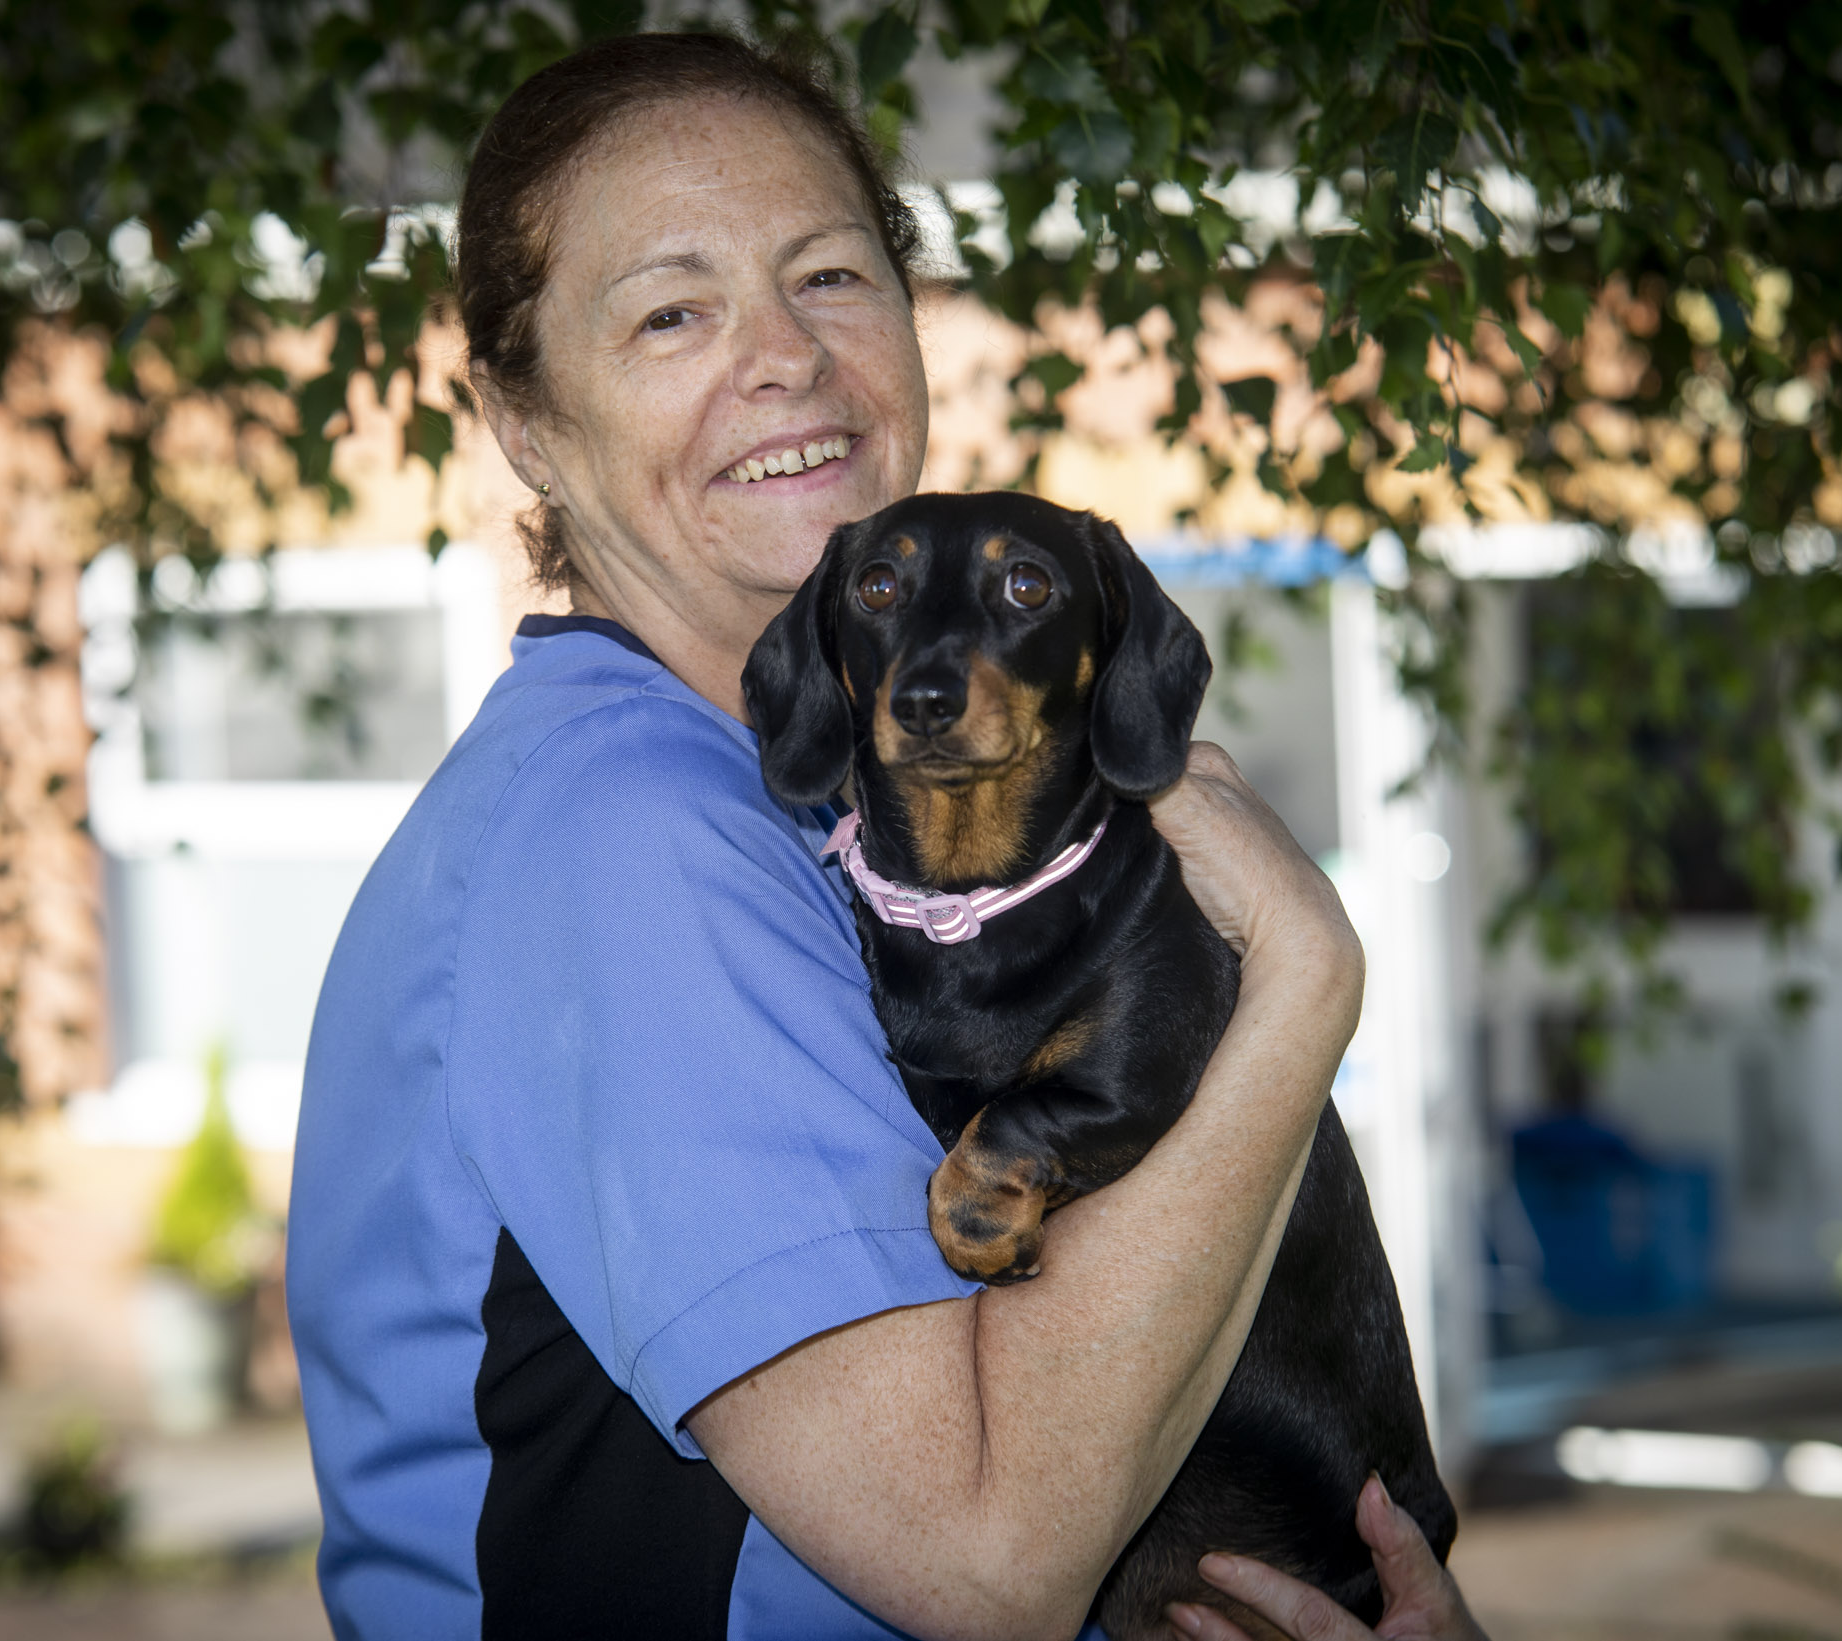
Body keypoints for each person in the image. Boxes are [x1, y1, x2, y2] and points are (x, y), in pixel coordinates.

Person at [286, 30, 1484, 1641]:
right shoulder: (629, 833)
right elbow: (985, 1558)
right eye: (669, 311)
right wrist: (1302, 993)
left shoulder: (832, 820)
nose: (779, 356)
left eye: (831, 276)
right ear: (523, 416)